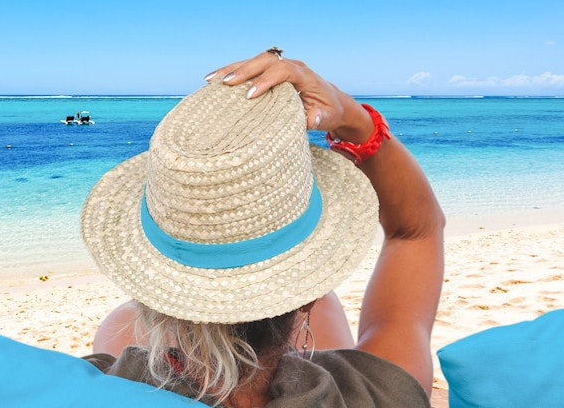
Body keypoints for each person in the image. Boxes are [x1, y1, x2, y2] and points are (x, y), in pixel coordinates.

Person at [81, 50, 444, 407]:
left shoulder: (88, 390)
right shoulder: (376, 394)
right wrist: (352, 120)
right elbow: (416, 232)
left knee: (122, 320)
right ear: (306, 296)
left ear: (153, 291)